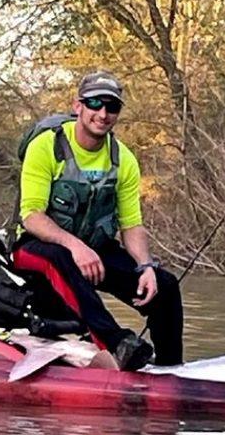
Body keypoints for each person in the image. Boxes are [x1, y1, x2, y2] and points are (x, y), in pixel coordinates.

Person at [12, 71, 183, 371]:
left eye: (111, 107)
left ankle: (174, 372)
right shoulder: (46, 148)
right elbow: (32, 216)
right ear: (78, 106)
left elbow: (132, 225)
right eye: (94, 104)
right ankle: (118, 344)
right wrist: (76, 246)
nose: (102, 114)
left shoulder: (124, 160)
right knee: (60, 256)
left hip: (95, 251)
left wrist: (146, 267)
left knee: (165, 286)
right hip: (36, 248)